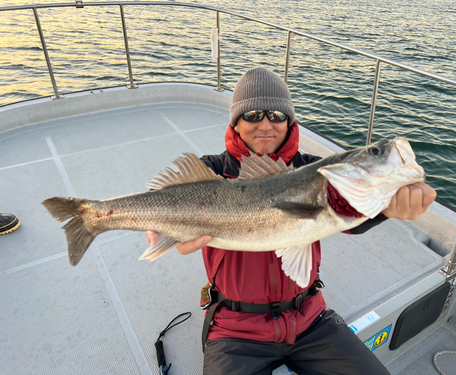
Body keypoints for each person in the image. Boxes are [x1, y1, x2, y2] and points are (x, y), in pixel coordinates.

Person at [147, 67, 436, 375]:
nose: (266, 125)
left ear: (289, 120)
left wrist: (386, 208)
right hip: (235, 328)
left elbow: (348, 216)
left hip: (310, 318)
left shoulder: (313, 170)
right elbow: (167, 203)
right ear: (236, 121)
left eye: (277, 115)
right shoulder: (213, 171)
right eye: (254, 114)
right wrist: (163, 229)